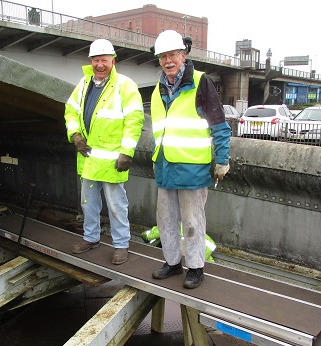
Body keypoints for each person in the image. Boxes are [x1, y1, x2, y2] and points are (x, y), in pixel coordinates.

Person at [149, 30, 231, 288]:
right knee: (165, 220)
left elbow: (219, 125)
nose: (168, 60)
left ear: (183, 55)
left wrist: (222, 159)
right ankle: (172, 262)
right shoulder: (159, 87)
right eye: (163, 56)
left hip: (192, 168)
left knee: (193, 222)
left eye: (172, 54)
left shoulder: (200, 82)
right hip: (165, 167)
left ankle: (195, 267)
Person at [65, 39, 144, 265]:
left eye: (104, 60)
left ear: (113, 61)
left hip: (112, 160)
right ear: (91, 61)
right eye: (96, 60)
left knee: (116, 204)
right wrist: (76, 136)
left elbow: (134, 120)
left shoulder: (125, 85)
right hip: (89, 158)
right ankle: (91, 238)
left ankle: (121, 245)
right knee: (88, 203)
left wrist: (127, 152)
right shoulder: (84, 84)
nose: (100, 65)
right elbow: (70, 111)